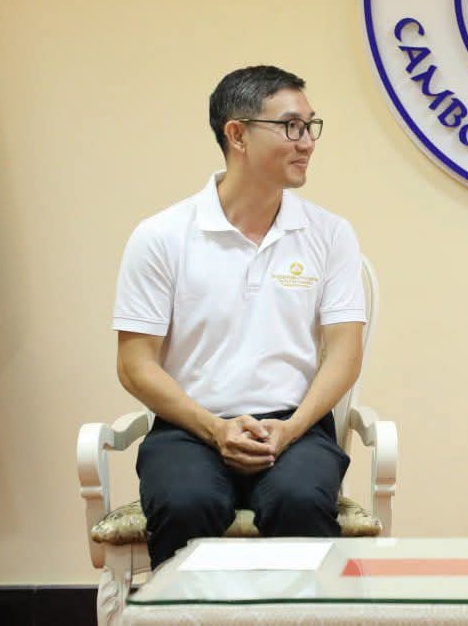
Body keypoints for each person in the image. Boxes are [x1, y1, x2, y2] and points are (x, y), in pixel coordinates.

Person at [112, 65, 367, 568]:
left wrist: (292, 428)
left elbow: (345, 352)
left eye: (310, 126)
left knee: (300, 499)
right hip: (189, 426)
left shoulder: (330, 234)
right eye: (291, 126)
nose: (307, 142)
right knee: (186, 502)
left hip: (295, 426)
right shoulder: (162, 236)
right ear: (237, 135)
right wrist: (213, 428)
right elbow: (134, 364)